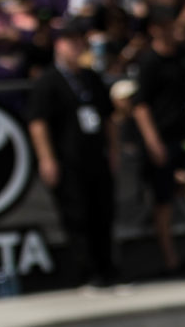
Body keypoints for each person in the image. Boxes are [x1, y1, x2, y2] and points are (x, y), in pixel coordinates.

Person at [27, 18, 119, 287]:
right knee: (77, 216)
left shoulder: (90, 78)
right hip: (68, 161)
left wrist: (112, 150)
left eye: (81, 41)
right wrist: (47, 158)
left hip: (96, 158)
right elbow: (38, 123)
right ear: (59, 44)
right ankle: (87, 272)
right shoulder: (48, 81)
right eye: (71, 41)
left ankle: (107, 268)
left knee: (103, 213)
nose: (76, 47)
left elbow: (109, 118)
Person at [132, 5, 185, 274]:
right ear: (155, 29)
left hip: (184, 137)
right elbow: (140, 105)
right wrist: (152, 141)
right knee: (163, 201)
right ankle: (170, 259)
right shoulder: (148, 61)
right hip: (160, 138)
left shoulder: (181, 57)